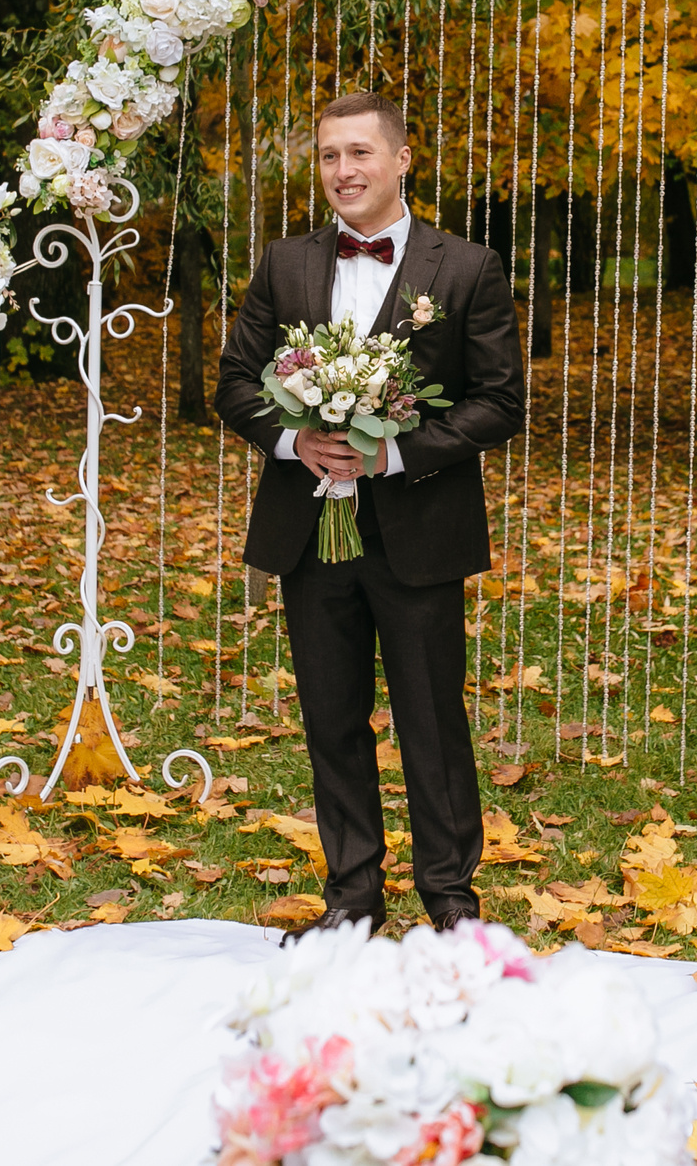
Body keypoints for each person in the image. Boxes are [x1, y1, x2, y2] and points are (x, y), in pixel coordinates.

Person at [213, 91, 525, 938]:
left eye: (358, 153)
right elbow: (235, 383)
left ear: (401, 159)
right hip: (311, 532)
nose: (342, 172)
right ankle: (351, 899)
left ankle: (451, 902)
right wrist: (292, 441)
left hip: (420, 532)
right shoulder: (286, 263)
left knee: (432, 718)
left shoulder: (465, 268)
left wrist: (393, 453)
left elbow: (499, 401)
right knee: (331, 719)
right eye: (327, 157)